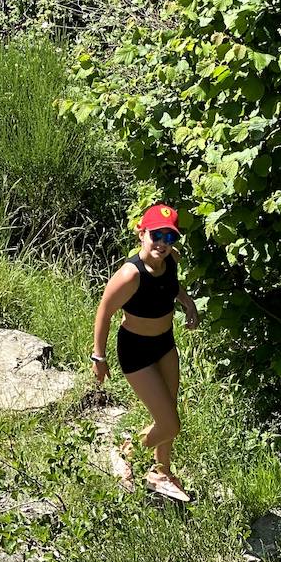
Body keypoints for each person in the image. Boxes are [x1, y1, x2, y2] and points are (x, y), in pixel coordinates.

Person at [91, 203, 199, 501]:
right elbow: (104, 311)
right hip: (136, 351)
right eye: (157, 235)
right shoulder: (130, 275)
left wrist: (187, 302)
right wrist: (98, 356)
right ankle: (126, 453)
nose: (163, 244)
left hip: (165, 344)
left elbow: (170, 286)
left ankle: (161, 472)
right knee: (170, 424)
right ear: (142, 233)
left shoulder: (170, 260)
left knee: (169, 411)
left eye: (170, 237)